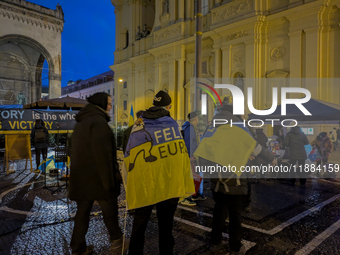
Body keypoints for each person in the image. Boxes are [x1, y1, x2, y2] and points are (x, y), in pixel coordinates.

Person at [194, 104, 274, 255]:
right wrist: (271, 159)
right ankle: (235, 247)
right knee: (235, 214)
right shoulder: (239, 128)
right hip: (234, 179)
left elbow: (205, 150)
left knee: (219, 210)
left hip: (216, 178)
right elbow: (256, 149)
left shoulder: (211, 128)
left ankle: (215, 242)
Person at [126, 90, 195, 255]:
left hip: (145, 181)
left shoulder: (138, 124)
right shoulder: (171, 123)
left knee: (140, 223)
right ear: (168, 106)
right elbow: (178, 153)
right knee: (166, 224)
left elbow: (129, 152)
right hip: (167, 182)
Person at [69, 92, 125, 255]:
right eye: (108, 103)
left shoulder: (83, 121)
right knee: (110, 212)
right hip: (99, 180)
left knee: (82, 213)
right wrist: (110, 183)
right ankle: (117, 242)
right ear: (101, 103)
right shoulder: (98, 122)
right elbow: (103, 155)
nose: (110, 107)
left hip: (82, 178)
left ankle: (78, 247)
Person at [180, 111, 204, 205]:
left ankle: (192, 195)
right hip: (189, 157)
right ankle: (186, 197)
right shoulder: (190, 128)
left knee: (192, 176)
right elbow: (189, 142)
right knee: (189, 177)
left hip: (190, 156)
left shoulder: (189, 127)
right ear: (196, 119)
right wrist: (190, 156)